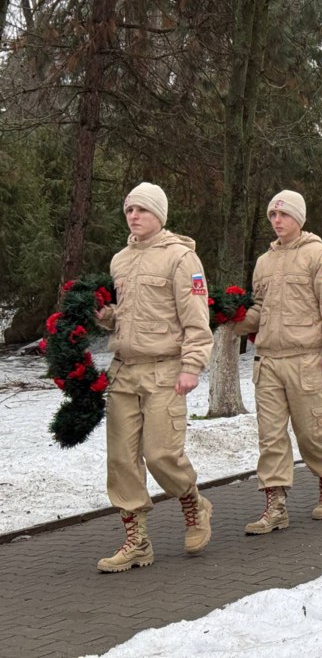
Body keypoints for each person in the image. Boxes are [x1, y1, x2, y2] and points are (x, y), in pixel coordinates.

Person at [94, 183, 214, 572]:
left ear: (159, 215)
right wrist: (107, 317)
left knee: (161, 453)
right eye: (129, 209)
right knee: (122, 460)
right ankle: (137, 541)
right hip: (125, 372)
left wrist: (192, 366)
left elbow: (197, 319)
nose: (133, 216)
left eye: (142, 210)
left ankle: (192, 502)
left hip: (166, 370)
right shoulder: (120, 260)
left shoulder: (181, 259)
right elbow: (127, 313)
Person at [237, 190, 322, 533]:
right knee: (270, 436)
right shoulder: (264, 261)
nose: (277, 221)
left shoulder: (320, 256)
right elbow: (260, 309)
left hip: (305, 358)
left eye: (284, 215)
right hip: (269, 360)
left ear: (299, 219)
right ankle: (275, 506)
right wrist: (234, 320)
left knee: (311, 432)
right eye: (273, 215)